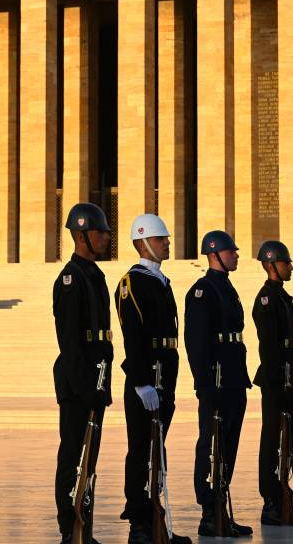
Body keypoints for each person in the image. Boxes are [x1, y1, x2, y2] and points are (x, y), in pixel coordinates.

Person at [115, 214, 193, 544]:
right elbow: (132, 335)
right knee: (140, 450)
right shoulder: (131, 283)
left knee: (155, 449)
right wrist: (140, 381)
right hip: (146, 379)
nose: (168, 243)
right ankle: (140, 524)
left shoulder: (161, 281)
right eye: (162, 239)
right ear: (143, 243)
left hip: (165, 375)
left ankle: (155, 517)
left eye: (166, 238)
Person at [184, 230, 253, 538]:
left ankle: (221, 508)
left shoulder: (227, 288)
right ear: (214, 255)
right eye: (230, 251)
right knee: (212, 445)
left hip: (234, 378)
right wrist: (204, 382)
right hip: (217, 380)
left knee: (229, 445)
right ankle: (209, 512)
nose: (236, 255)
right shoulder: (203, 290)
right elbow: (196, 341)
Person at [53, 202, 113, 543]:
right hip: (78, 381)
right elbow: (70, 341)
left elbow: (101, 339)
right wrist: (84, 386)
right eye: (98, 231)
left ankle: (84, 526)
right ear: (80, 235)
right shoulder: (70, 279)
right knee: (73, 453)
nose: (106, 236)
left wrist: (101, 384)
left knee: (89, 457)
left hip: (96, 375)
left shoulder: (95, 275)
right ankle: (69, 527)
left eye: (105, 231)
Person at [251, 239, 293, 527]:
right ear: (272, 264)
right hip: (276, 382)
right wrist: (279, 381)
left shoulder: (284, 298)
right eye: (287, 263)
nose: (291, 267)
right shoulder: (266, 299)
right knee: (273, 440)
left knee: (287, 442)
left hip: (290, 380)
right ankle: (272, 502)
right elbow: (269, 346)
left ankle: (282, 496)